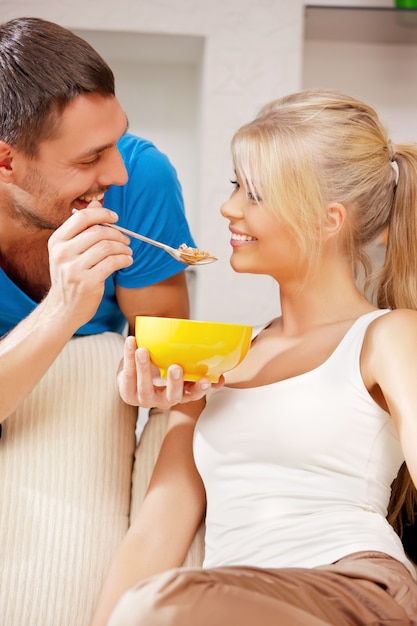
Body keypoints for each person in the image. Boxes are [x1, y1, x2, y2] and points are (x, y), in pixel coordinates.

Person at [92, 89, 417, 625]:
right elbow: (155, 531)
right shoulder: (214, 356)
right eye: (234, 186)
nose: (229, 208)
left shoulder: (389, 336)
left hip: (354, 587)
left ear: (326, 220)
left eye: (255, 194)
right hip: (234, 599)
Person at [0, 16, 199, 626]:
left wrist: (158, 376)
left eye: (116, 141)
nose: (115, 173)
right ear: (6, 160)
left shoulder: (141, 180)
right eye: (90, 158)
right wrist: (65, 309)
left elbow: (170, 358)